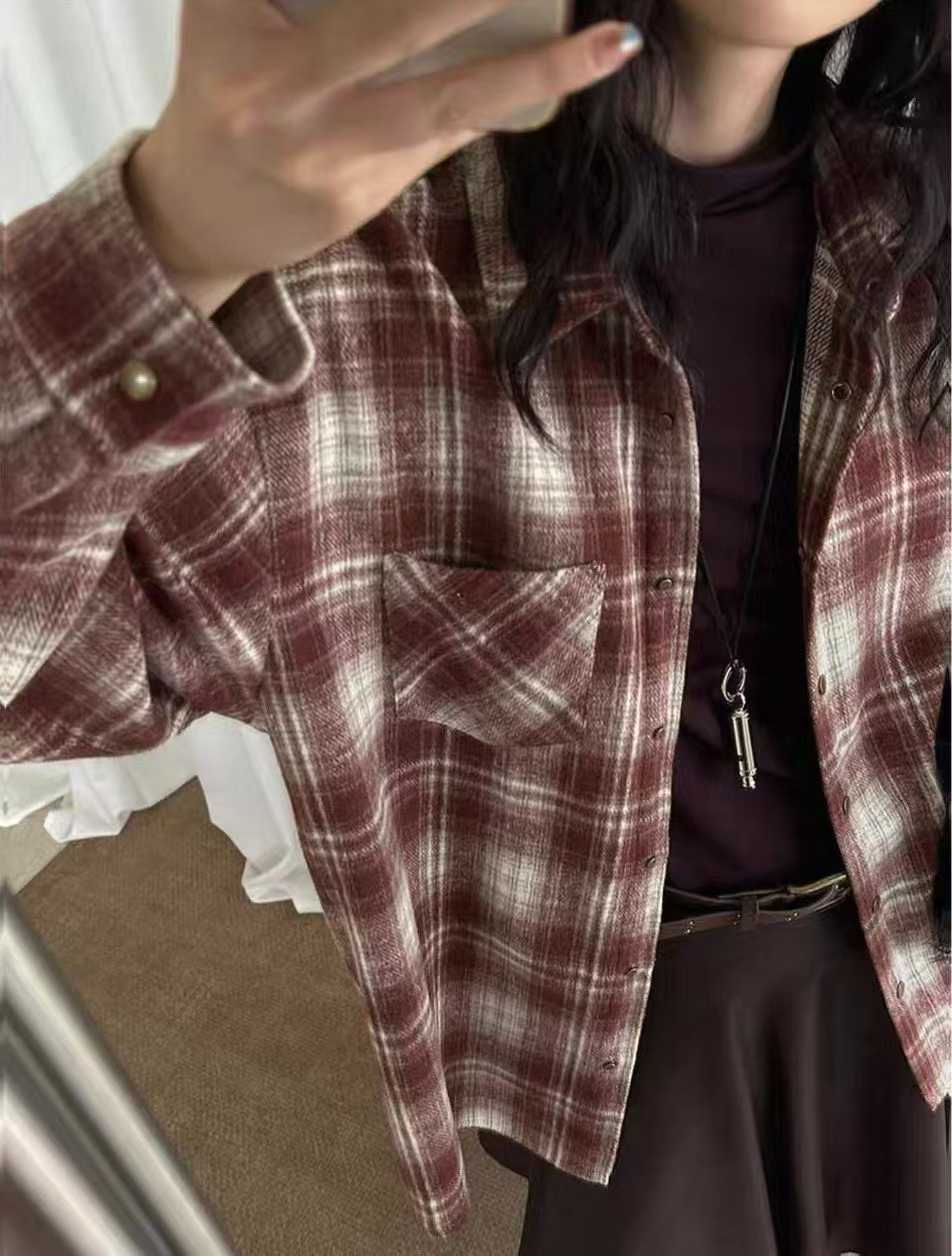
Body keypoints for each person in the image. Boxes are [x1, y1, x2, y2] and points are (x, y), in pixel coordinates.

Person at [2, 2, 949, 1251]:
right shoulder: (367, 287)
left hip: (912, 932)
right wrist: (154, 254)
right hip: (620, 1007)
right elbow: (43, 675)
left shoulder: (917, 227)